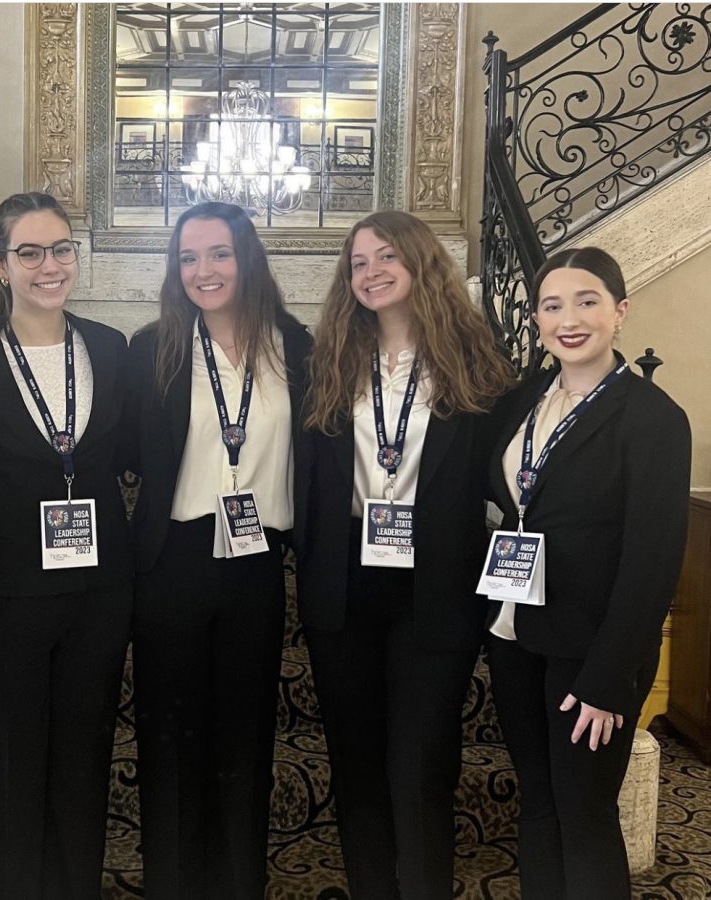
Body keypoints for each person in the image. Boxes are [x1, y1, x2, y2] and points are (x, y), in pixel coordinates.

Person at [296, 211, 513, 899]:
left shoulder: (474, 361)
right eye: (358, 263)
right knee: (357, 767)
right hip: (346, 581)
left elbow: (505, 474)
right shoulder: (328, 358)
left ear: (421, 264)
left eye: (387, 257)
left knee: (420, 766)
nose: (371, 272)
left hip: (436, 584)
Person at [484, 247, 691, 899]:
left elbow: (652, 561)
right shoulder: (519, 401)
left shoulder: (653, 418)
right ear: (539, 319)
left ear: (620, 312)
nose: (568, 318)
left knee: (585, 813)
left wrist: (608, 678)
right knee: (539, 804)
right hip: (516, 633)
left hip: (593, 652)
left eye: (587, 301)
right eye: (552, 305)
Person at [125, 201, 312, 899]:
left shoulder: (295, 346)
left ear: (248, 259)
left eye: (219, 254)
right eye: (189, 258)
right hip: (173, 560)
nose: (204, 270)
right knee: (170, 742)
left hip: (257, 561)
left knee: (244, 740)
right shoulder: (155, 347)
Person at [0, 192, 133, 900]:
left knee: (83, 760)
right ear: (0, 264)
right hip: (1, 593)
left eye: (61, 249)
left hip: (98, 592)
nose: (49, 265)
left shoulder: (109, 348)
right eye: (30, 252)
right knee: (8, 764)